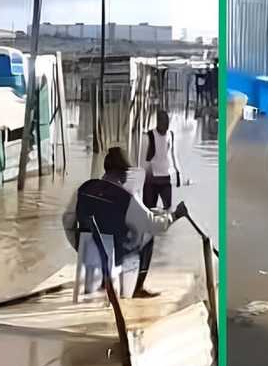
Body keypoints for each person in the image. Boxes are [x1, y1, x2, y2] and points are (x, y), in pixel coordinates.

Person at [62, 147, 181, 298]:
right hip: (115, 253)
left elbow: (67, 220)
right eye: (127, 172)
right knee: (148, 235)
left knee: (119, 231)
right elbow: (155, 225)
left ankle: (103, 282)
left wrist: (78, 245)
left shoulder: (83, 189)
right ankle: (137, 288)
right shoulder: (127, 197)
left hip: (89, 248)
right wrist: (175, 215)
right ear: (121, 172)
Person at [143, 110, 181, 212]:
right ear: (158, 122)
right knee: (148, 209)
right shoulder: (150, 135)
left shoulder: (171, 135)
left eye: (167, 122)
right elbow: (144, 158)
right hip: (151, 179)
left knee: (168, 209)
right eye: (163, 121)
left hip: (165, 178)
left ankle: (165, 226)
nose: (166, 125)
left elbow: (174, 155)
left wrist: (178, 172)